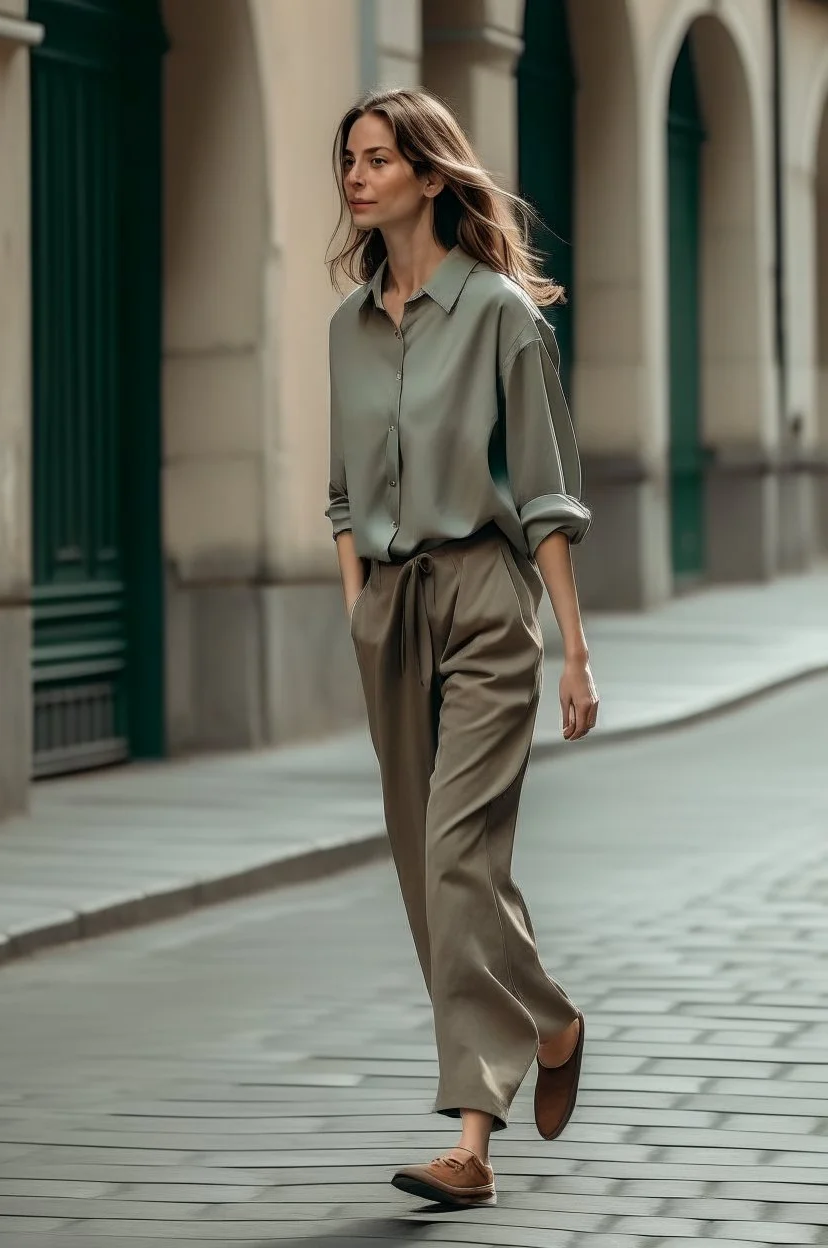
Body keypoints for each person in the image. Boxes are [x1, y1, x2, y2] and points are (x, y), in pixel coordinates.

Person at [324, 87, 599, 1210]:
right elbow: (342, 493)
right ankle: (552, 1018)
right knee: (433, 874)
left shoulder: (498, 315)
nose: (355, 175)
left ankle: (469, 1148)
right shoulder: (345, 325)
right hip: (389, 610)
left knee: (454, 859)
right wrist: (355, 603)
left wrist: (574, 652)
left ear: (429, 177)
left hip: (487, 603)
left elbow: (543, 492)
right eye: (347, 158)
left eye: (377, 158)